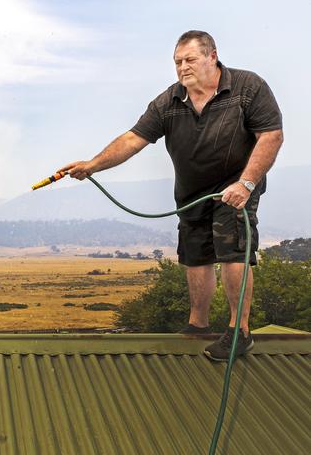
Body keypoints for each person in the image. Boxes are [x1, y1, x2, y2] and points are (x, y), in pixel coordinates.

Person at [59, 30, 283, 361]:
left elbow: (271, 136)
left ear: (212, 56)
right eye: (177, 62)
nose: (182, 68)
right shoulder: (169, 100)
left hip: (235, 187)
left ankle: (240, 331)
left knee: (232, 248)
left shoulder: (248, 88)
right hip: (191, 192)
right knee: (195, 256)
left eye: (190, 60)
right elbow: (133, 139)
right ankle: (198, 325)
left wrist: (247, 183)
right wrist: (93, 165)